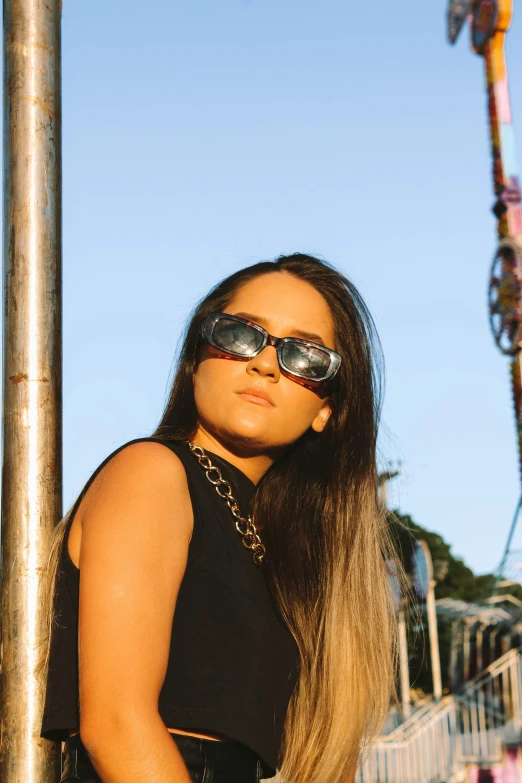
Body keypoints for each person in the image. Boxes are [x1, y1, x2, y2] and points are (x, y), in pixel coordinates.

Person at [40, 253, 399, 783]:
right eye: (239, 334)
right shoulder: (152, 474)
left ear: (327, 408)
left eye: (305, 356)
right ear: (196, 361)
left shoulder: (302, 553)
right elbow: (117, 725)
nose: (265, 363)